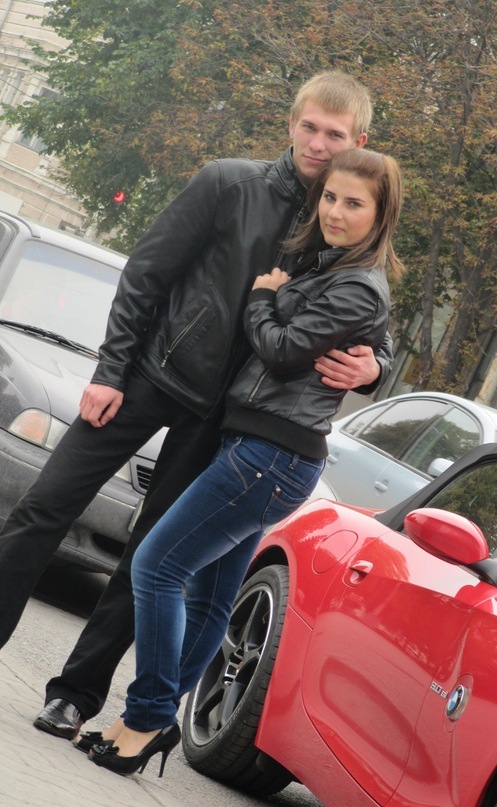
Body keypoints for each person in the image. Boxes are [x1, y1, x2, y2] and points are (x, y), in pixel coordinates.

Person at [0, 71, 391, 738]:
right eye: (309, 127)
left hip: (222, 422)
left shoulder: (341, 220)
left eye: (334, 134)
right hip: (148, 377)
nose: (318, 143)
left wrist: (376, 367)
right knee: (43, 508)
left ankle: (75, 696)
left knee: (144, 559)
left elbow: (371, 314)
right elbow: (146, 273)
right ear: (291, 123)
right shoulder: (228, 183)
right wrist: (111, 370)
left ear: (357, 140)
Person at [83, 146, 404, 776]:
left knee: (156, 566)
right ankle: (141, 721)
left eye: (353, 203)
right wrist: (373, 361)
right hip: (258, 448)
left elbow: (282, 352)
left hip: (272, 454)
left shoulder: (357, 284)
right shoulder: (329, 263)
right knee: (209, 597)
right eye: (330, 198)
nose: (336, 212)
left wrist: (262, 299)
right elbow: (361, 343)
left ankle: (147, 716)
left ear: (380, 214)